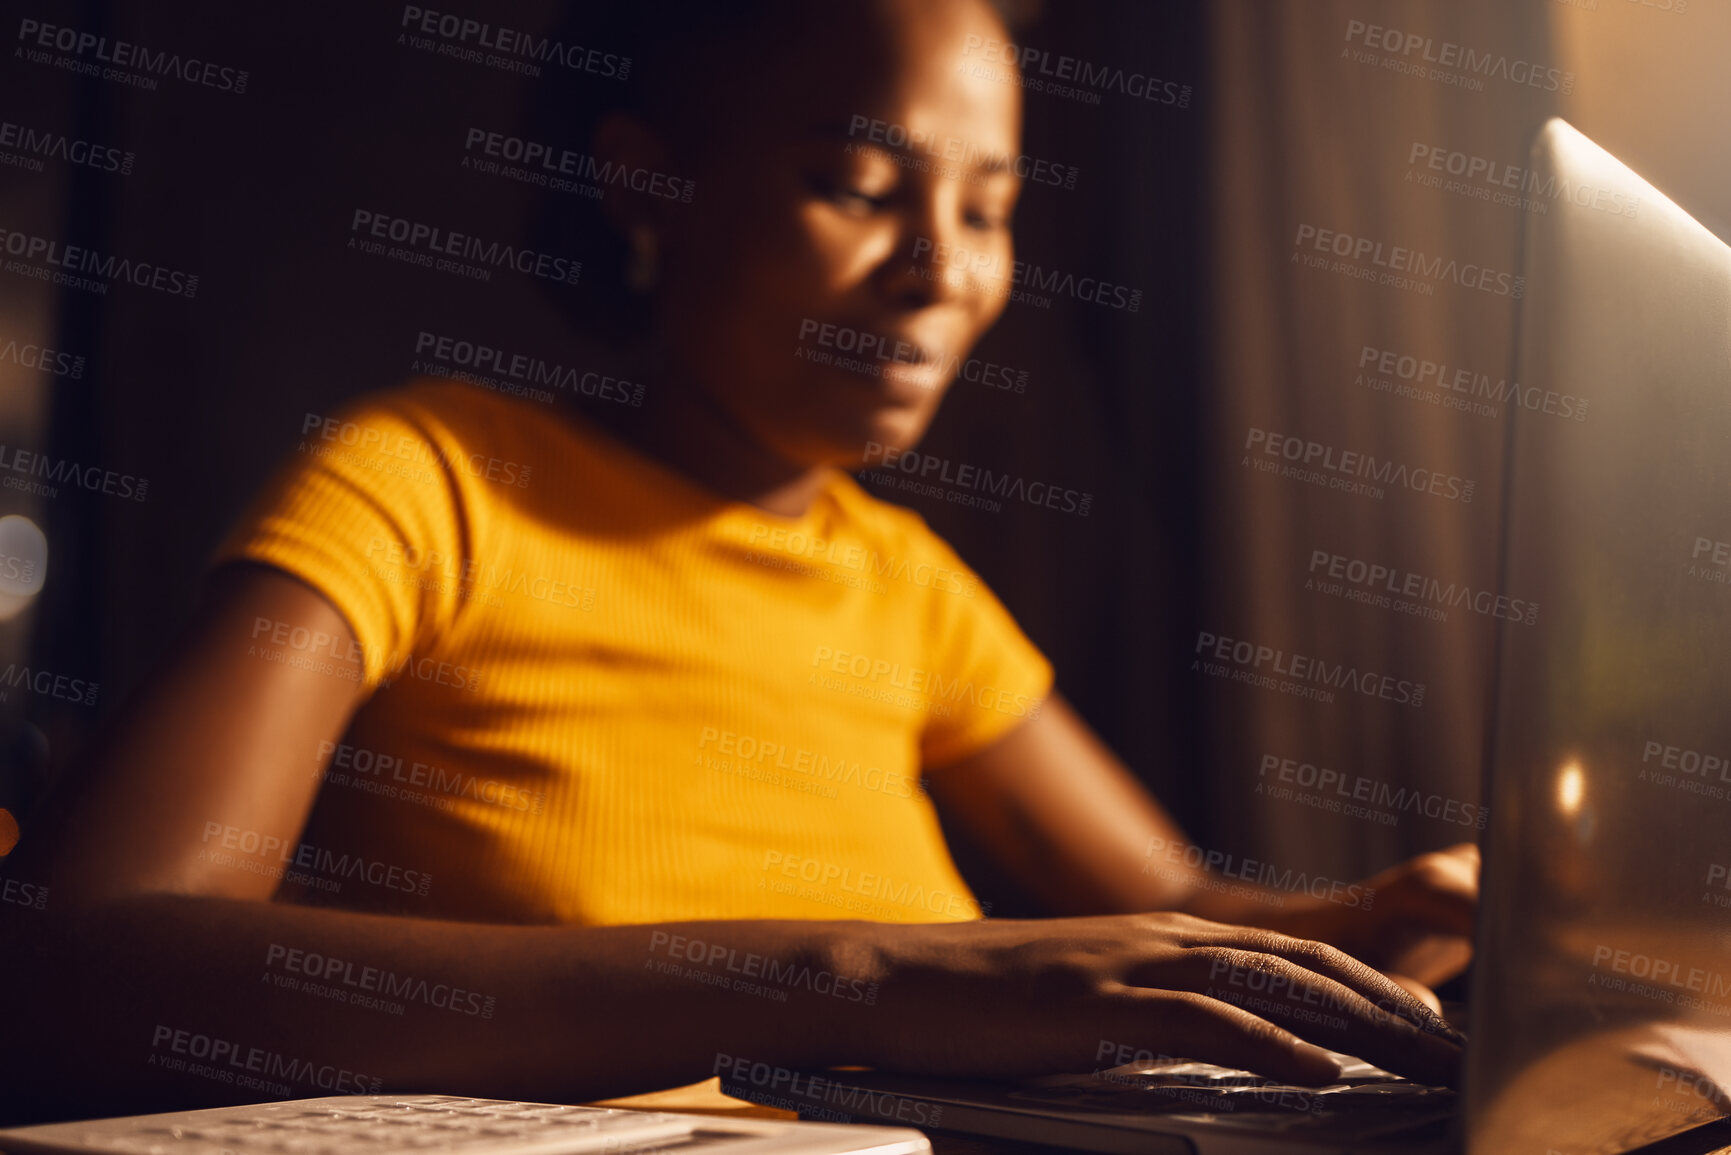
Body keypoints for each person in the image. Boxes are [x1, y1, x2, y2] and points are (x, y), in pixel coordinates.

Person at [0, 0, 1476, 1122]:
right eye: (860, 185)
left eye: (988, 209)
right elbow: (90, 958)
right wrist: (865, 984)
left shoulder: (900, 580)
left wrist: (1375, 925)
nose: (944, 272)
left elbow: (1179, 907)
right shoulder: (434, 480)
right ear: (648, 189)